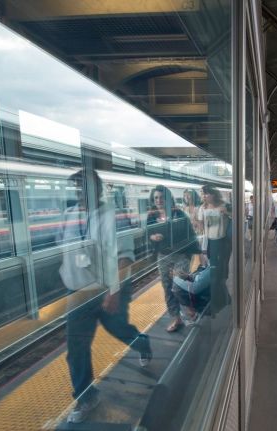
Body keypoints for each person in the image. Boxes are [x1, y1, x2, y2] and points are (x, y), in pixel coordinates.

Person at [59, 170, 152, 423]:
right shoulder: (68, 216)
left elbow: (124, 258)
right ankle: (86, 397)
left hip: (109, 289)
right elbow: (63, 249)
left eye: (83, 188)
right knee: (76, 348)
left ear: (96, 190)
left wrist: (114, 292)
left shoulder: (114, 216)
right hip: (78, 293)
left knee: (120, 330)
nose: (79, 194)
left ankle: (143, 344)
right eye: (75, 189)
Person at [147, 185, 200, 332]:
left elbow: (189, 234)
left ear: (168, 198)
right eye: (156, 197)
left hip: (181, 255)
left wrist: (198, 253)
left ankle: (189, 307)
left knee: (178, 285)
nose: (158, 200)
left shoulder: (179, 214)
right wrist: (152, 237)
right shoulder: (152, 215)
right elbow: (148, 232)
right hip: (163, 256)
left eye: (162, 197)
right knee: (167, 287)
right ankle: (176, 318)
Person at [197, 185, 232, 313]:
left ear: (213, 194)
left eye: (207, 193)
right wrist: (202, 248)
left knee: (217, 274)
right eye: (203, 194)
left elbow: (238, 218)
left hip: (222, 243)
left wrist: (227, 212)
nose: (204, 196)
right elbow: (201, 229)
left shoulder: (224, 205)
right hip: (209, 243)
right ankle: (225, 299)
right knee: (215, 273)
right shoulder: (202, 208)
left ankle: (217, 303)